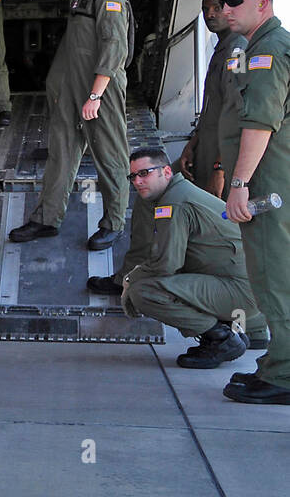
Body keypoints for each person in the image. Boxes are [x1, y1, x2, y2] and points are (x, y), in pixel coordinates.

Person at [87, 147, 268, 367]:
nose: (138, 181)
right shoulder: (180, 192)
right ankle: (248, 328)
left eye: (145, 173)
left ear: (165, 172)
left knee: (143, 291)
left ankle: (220, 339)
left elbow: (166, 264)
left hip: (239, 291)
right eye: (133, 176)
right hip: (250, 286)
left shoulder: (174, 203)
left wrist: (129, 280)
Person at [9, 0, 131, 250]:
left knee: (110, 156)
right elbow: (74, 47)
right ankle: (47, 218)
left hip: (100, 90)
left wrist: (95, 95)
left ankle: (114, 223)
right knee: (61, 151)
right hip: (73, 88)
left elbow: (114, 50)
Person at [218, 0, 290, 404]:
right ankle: (277, 362)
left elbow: (261, 124)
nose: (225, 10)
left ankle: (285, 376)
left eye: (234, 1)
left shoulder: (268, 52)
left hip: (266, 180)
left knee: (275, 275)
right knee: (267, 274)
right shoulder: (253, 48)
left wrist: (239, 183)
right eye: (221, 2)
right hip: (265, 176)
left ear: (262, 2)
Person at [178, 0, 247, 198]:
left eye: (217, 8)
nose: (210, 14)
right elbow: (211, 108)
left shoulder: (238, 50)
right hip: (207, 149)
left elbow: (237, 111)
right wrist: (192, 145)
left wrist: (220, 168)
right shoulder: (221, 49)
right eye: (205, 9)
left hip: (223, 159)